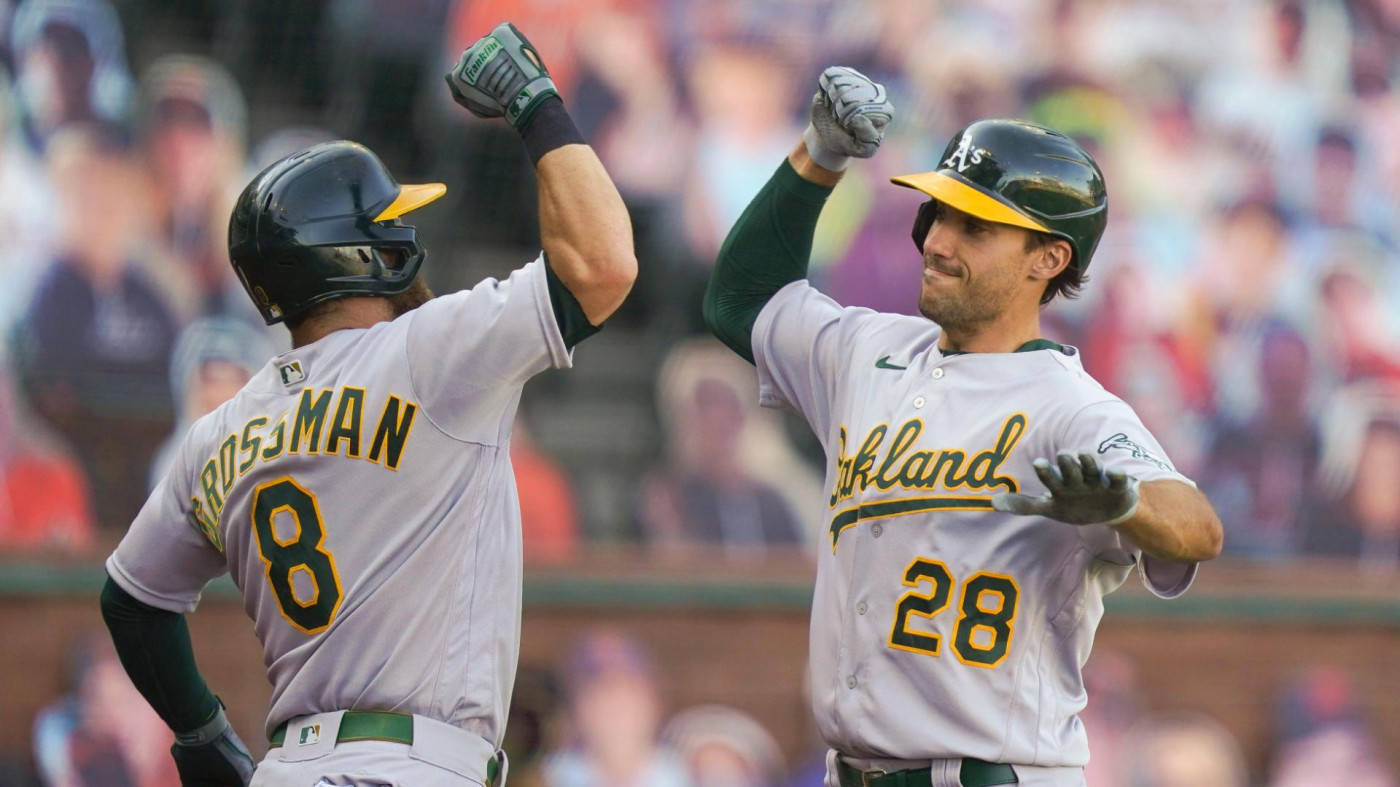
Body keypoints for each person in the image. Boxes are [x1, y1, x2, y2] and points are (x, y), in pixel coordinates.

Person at [98, 21, 635, 787]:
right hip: (413, 765)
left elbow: (133, 599)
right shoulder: (429, 350)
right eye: (389, 225)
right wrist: (536, 101)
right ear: (365, 256)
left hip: (289, 766)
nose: (404, 234)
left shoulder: (219, 432)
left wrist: (198, 729)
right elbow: (604, 265)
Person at [704, 67, 1223, 786]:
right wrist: (818, 156)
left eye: (975, 227)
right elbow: (742, 298)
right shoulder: (867, 351)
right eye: (938, 214)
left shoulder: (1069, 406)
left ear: (1050, 257)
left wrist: (1125, 504)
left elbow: (1197, 525)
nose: (938, 241)